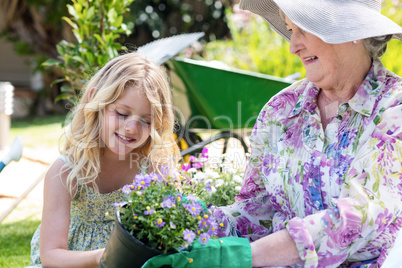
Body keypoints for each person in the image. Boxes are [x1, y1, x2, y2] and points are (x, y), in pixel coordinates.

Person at [211, 0, 402, 267]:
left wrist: (244, 256)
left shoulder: (394, 108)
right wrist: (192, 230)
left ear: (352, 31)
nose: (293, 46)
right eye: (291, 30)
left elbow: (360, 215)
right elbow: (257, 207)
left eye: (304, 28)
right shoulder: (281, 108)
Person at [30, 52, 178, 267]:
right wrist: (102, 256)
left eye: (146, 121)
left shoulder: (155, 167)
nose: (132, 128)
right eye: (122, 114)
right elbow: (51, 255)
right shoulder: (66, 172)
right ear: (95, 100)